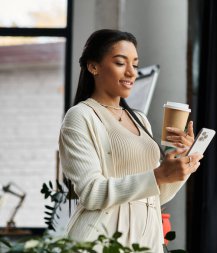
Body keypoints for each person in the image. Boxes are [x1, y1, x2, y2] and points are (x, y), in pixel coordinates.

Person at [58, 29, 203, 252]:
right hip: (101, 241)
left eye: (135, 64)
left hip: (146, 241)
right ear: (93, 66)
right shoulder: (80, 116)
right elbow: (91, 193)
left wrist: (178, 167)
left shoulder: (140, 120)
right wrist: (159, 175)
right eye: (120, 62)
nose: (131, 72)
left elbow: (155, 195)